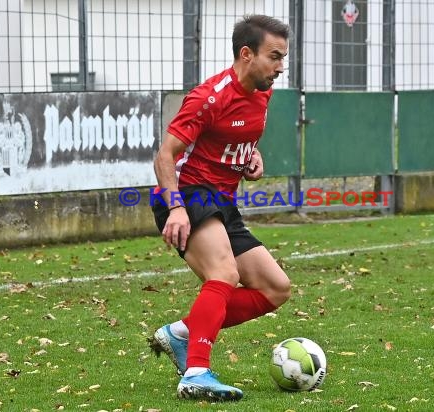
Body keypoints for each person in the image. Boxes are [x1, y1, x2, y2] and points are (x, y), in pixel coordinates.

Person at [148, 15, 291, 401]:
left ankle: (180, 333)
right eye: (274, 57)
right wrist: (176, 208)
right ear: (246, 54)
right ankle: (196, 372)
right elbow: (165, 156)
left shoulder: (264, 92)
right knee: (224, 273)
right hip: (188, 194)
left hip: (222, 201)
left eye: (283, 58)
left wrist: (251, 157)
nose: (281, 67)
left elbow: (237, 140)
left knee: (275, 288)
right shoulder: (209, 97)